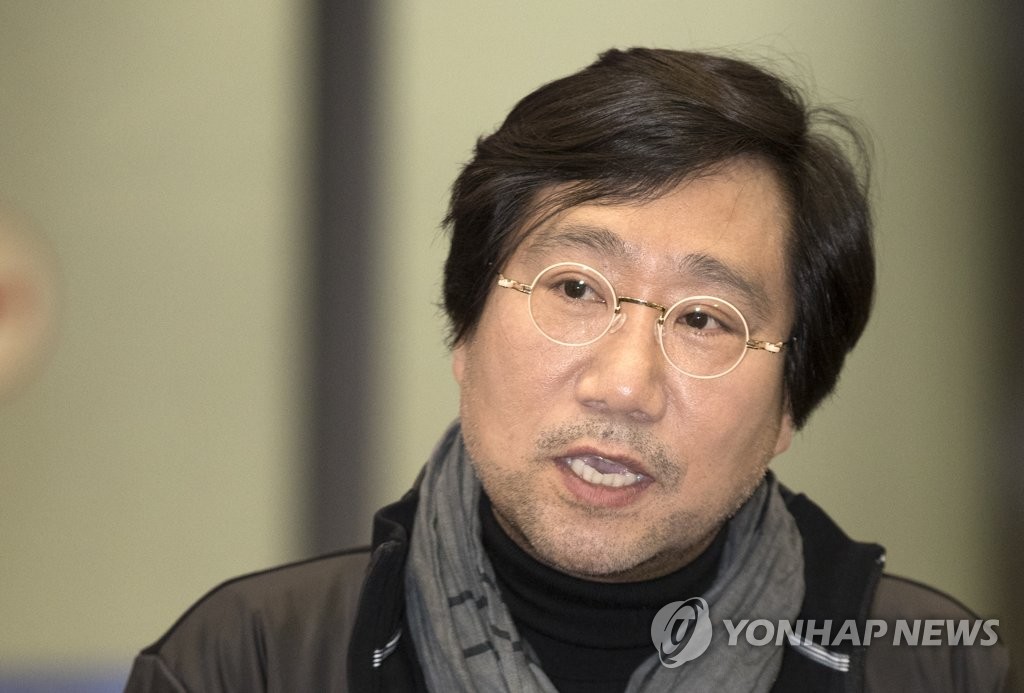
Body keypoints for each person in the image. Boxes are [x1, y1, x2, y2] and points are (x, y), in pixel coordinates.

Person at [124, 48, 1012, 692]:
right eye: (576, 289)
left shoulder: (941, 670)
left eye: (704, 319)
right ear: (465, 330)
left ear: (789, 406)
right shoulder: (248, 662)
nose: (623, 384)